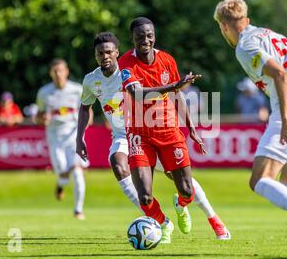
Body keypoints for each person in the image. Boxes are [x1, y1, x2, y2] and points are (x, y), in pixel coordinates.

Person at [76, 32, 230, 241]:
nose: (105, 57)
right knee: (118, 164)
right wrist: (80, 138)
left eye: (109, 52)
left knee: (182, 184)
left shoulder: (129, 67)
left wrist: (187, 121)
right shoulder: (91, 80)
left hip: (150, 129)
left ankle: (213, 218)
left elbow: (152, 93)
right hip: (124, 135)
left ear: (117, 53)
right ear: (95, 55)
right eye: (100, 53)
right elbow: (85, 108)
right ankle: (159, 221)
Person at [214, 0, 287, 256]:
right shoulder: (273, 34)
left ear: (224, 26)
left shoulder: (245, 45)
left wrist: (285, 118)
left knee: (259, 179)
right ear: (247, 18)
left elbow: (280, 74)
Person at [117, 17, 226, 243]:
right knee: (145, 196)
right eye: (140, 37)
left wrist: (192, 128)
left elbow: (178, 96)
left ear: (154, 36)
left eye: (149, 35)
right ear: (132, 39)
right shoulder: (126, 62)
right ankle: (162, 224)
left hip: (169, 131)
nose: (145, 40)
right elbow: (137, 94)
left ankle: (180, 204)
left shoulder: (166, 59)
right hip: (140, 135)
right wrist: (173, 86)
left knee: (187, 190)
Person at [36, 59, 93, 220]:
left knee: (77, 173)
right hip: (55, 139)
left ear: (67, 71)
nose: (58, 74)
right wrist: (43, 119)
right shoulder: (44, 93)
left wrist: (84, 126)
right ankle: (60, 184)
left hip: (74, 138)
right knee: (63, 174)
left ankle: (78, 210)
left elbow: (88, 111)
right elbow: (38, 116)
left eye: (61, 70)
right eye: (55, 71)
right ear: (50, 73)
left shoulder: (77, 90)